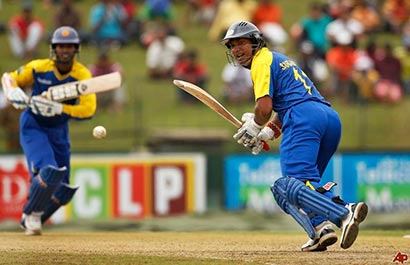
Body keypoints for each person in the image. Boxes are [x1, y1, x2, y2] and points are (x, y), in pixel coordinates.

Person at [221, 21, 368, 251]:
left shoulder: (261, 61)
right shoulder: (279, 59)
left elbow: (264, 108)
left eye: (242, 43)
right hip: (327, 118)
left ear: (255, 42)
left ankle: (344, 212)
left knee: (287, 186)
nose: (237, 49)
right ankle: (321, 230)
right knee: (307, 185)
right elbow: (289, 103)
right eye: (232, 46)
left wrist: (255, 126)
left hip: (303, 118)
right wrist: (267, 131)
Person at [1, 26, 97, 235]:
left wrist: (60, 108)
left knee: (63, 191)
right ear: (54, 48)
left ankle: (32, 220)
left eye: (69, 46)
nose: (64, 50)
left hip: (58, 129)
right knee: (48, 171)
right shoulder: (38, 67)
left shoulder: (82, 74)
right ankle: (31, 214)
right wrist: (12, 91)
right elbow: (9, 77)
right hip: (34, 125)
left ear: (76, 49)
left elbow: (88, 109)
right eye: (61, 46)